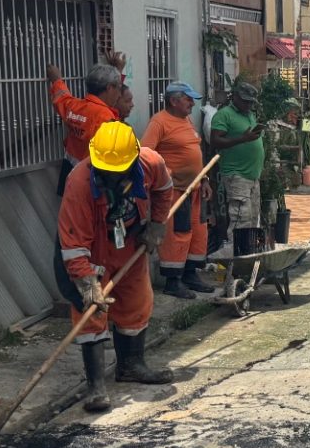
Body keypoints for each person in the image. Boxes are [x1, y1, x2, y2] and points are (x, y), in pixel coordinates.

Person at [57, 121, 174, 412]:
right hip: (91, 248)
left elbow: (164, 189)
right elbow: (73, 244)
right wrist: (87, 283)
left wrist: (157, 226)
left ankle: (131, 366)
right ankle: (96, 386)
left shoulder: (150, 163)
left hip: (130, 241)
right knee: (92, 310)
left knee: (136, 302)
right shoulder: (80, 183)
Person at [143, 81, 213, 297]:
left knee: (198, 232)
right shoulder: (159, 122)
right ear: (173, 101)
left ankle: (190, 274)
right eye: (187, 99)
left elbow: (193, 152)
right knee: (178, 234)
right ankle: (173, 281)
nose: (192, 103)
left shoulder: (186, 120)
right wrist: (165, 175)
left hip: (195, 188)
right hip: (176, 191)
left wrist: (205, 179)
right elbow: (145, 154)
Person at [47, 52, 128, 195]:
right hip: (91, 179)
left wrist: (56, 79)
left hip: (70, 172)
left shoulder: (74, 106)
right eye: (118, 88)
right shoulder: (105, 118)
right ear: (109, 88)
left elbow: (61, 96)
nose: (120, 94)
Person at [209, 80, 267, 256]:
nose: (248, 104)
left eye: (251, 102)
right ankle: (235, 258)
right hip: (237, 175)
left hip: (252, 176)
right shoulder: (224, 115)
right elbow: (215, 141)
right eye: (245, 101)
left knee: (251, 217)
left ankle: (248, 254)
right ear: (234, 96)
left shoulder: (248, 114)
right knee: (240, 218)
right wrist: (242, 139)